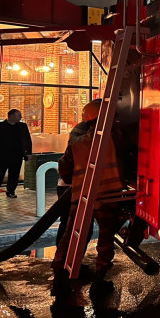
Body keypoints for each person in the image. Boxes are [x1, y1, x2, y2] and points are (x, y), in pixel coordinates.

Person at [51, 100, 126, 300]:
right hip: (108, 197)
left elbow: (65, 168)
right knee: (105, 240)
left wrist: (76, 182)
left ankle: (59, 280)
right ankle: (99, 283)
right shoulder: (115, 136)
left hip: (82, 197)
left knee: (69, 238)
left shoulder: (77, 141)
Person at [0, 109, 32, 198]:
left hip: (17, 155)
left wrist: (28, 152)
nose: (21, 117)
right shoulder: (0, 126)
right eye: (19, 115)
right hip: (1, 155)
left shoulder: (22, 126)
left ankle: (11, 191)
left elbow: (27, 139)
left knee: (14, 174)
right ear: (11, 116)